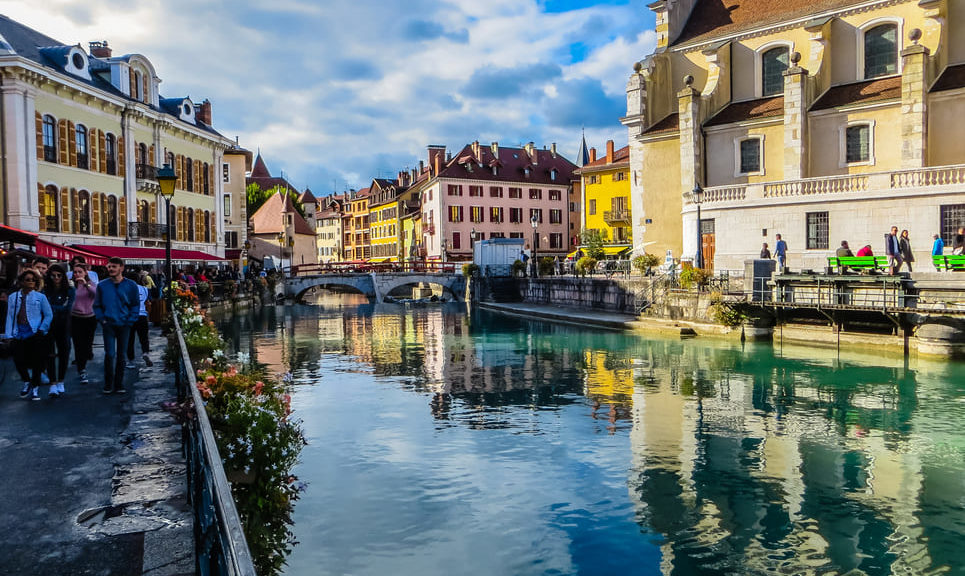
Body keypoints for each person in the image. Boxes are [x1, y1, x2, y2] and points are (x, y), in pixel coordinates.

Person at [3, 269, 53, 401]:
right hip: (18, 332)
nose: (30, 282)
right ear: (21, 282)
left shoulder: (40, 297)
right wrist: (8, 335)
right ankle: (26, 381)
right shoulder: (14, 297)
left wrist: (42, 329)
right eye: (27, 279)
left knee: (37, 361)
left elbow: (48, 314)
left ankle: (35, 388)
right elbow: (10, 316)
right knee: (18, 360)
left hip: (34, 331)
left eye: (33, 280)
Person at [93, 257, 140, 395]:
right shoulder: (102, 285)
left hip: (124, 324)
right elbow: (97, 305)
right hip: (109, 324)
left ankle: (119, 384)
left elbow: (135, 304)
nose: (111, 269)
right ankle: (108, 383)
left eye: (114, 266)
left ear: (121, 268)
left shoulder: (131, 285)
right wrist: (102, 320)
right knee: (109, 354)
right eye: (109, 267)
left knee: (121, 355)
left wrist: (131, 320)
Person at [43, 264, 74, 398]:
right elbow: (45, 308)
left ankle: (60, 380)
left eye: (59, 275)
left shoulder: (69, 290)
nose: (56, 278)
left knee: (64, 352)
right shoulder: (45, 290)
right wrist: (59, 307)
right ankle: (53, 383)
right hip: (49, 325)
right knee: (49, 353)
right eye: (53, 275)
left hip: (64, 324)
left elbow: (69, 308)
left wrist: (53, 308)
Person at [71, 261, 98, 384]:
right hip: (75, 318)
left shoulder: (91, 284)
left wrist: (86, 284)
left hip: (89, 318)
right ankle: (81, 369)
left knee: (87, 344)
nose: (77, 274)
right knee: (78, 345)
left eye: (79, 272)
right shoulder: (71, 285)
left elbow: (96, 295)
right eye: (75, 272)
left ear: (85, 273)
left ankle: (85, 359)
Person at [126, 272, 153, 369]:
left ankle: (131, 361)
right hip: (142, 315)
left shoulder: (125, 289)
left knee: (130, 339)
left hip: (130, 316)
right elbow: (148, 302)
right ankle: (145, 352)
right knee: (144, 337)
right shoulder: (145, 289)